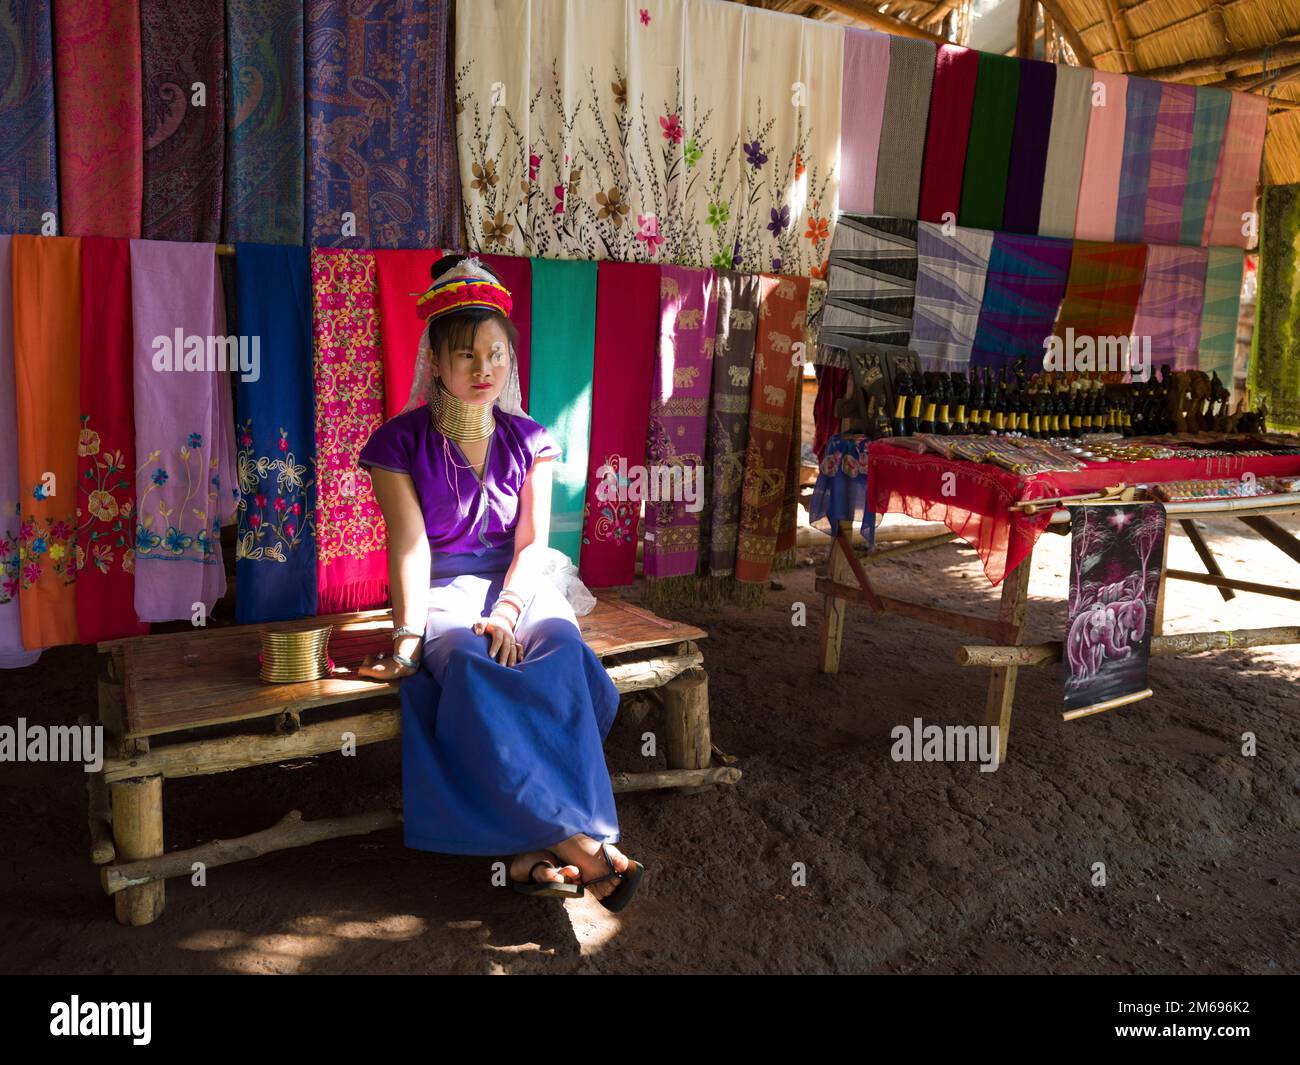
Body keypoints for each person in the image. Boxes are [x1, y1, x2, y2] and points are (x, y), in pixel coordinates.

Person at [354, 255, 643, 911]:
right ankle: (582, 844)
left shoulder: (532, 440)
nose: (484, 370)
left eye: (496, 354)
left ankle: (526, 851)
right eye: (466, 356)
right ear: (435, 361)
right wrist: (406, 637)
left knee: (564, 657)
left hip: (523, 583)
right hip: (444, 589)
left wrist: (510, 613)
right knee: (464, 666)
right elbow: (411, 545)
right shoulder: (396, 445)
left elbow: (533, 544)